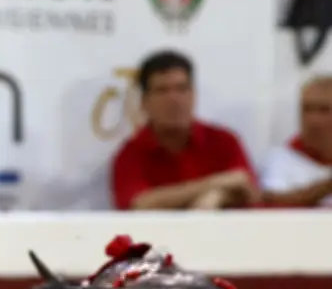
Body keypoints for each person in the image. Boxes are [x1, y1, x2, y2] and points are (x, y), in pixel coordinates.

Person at [111, 50, 261, 211]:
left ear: (194, 95)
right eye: (162, 91)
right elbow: (140, 204)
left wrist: (215, 196)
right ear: (144, 102)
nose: (174, 99)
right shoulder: (131, 154)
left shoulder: (223, 141)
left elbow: (248, 191)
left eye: (182, 89)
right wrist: (212, 185)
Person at [261, 75, 332, 207]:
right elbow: (271, 203)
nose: (313, 120)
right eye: (307, 109)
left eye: (324, 110)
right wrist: (325, 187)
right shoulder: (280, 159)